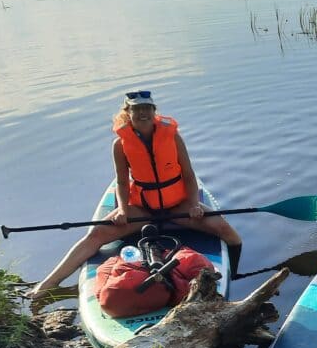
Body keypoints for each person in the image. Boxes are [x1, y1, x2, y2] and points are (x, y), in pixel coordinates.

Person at [30, 91, 242, 298]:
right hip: (143, 209)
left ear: (154, 111)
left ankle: (234, 277)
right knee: (95, 236)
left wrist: (194, 204)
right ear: (128, 113)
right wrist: (122, 210)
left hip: (178, 206)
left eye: (147, 108)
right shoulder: (120, 144)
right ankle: (48, 284)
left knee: (229, 233)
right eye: (137, 109)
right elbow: (122, 182)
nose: (143, 113)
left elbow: (188, 174)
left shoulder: (172, 136)